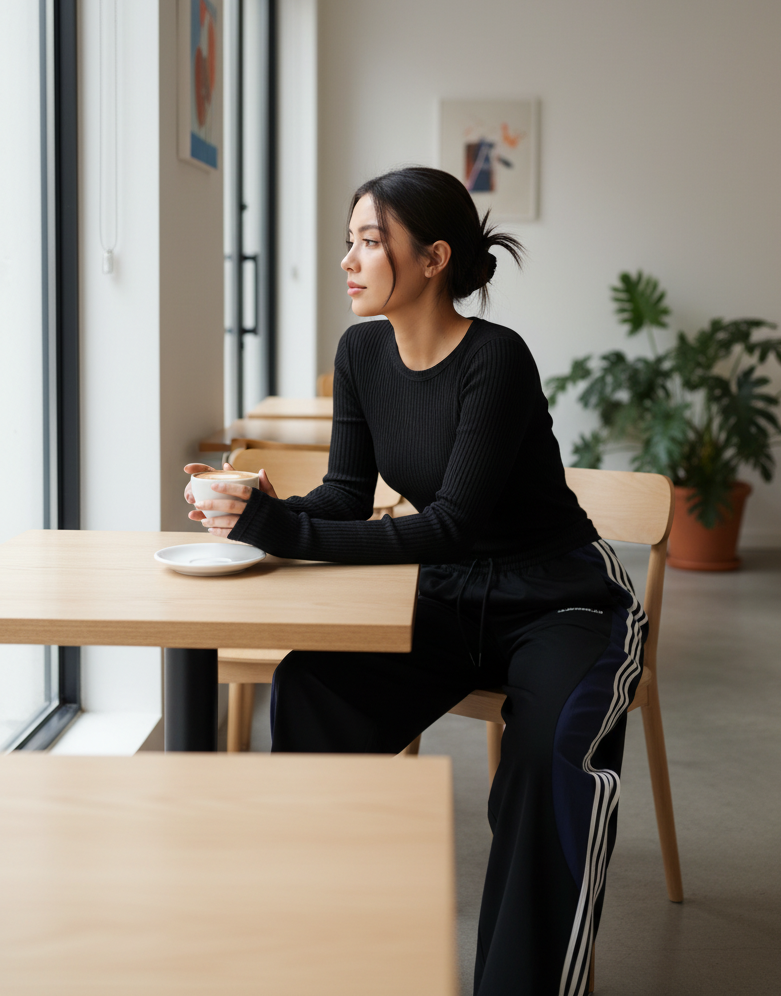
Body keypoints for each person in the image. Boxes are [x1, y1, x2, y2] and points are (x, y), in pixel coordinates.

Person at [184, 166, 646, 996]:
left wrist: (281, 531)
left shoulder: (496, 360)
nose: (348, 260)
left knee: (547, 766)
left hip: (561, 599)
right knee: (312, 691)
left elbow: (452, 522)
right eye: (350, 240)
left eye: (369, 241)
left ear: (433, 259)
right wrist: (259, 504)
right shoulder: (361, 350)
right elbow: (346, 497)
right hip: (445, 594)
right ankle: (327, 951)